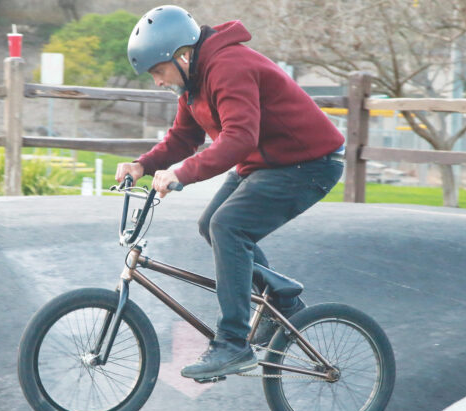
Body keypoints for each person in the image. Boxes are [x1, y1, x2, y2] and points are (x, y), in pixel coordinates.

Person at [116, 5, 345, 380]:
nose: (157, 81)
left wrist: (182, 174)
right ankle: (283, 301)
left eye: (158, 71)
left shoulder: (228, 66)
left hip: (309, 162)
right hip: (267, 162)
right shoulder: (192, 83)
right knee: (212, 225)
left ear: (183, 55)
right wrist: (144, 165)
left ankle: (233, 344)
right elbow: (183, 137)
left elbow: (240, 136)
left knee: (228, 226)